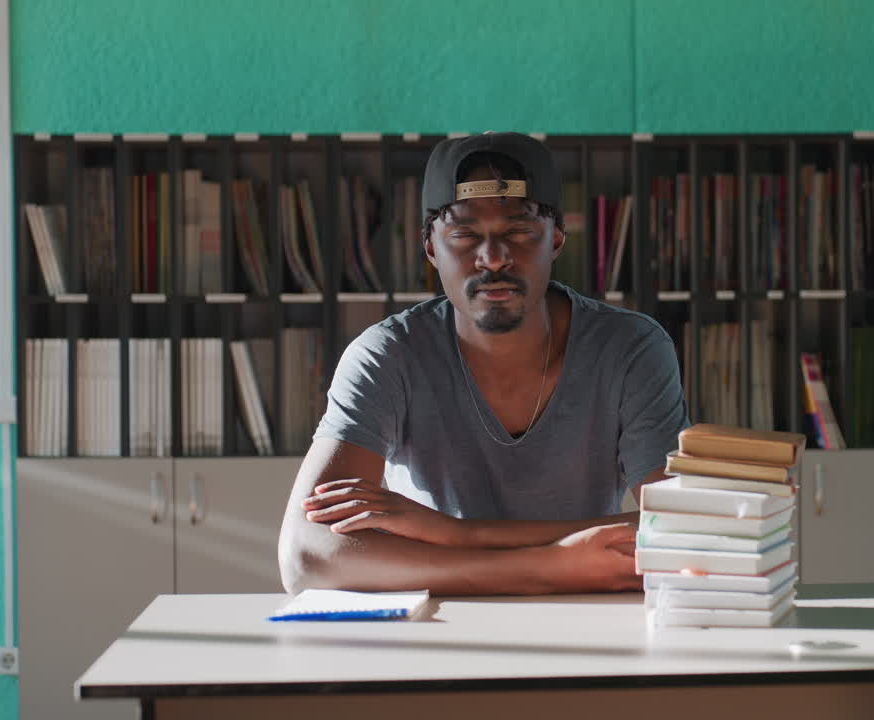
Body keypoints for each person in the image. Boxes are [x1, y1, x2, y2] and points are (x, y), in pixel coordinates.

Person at [278, 132, 688, 595]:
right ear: (431, 248)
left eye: (518, 231)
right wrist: (547, 567)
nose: (493, 258)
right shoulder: (387, 354)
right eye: (464, 235)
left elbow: (681, 532)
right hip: (436, 637)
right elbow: (304, 556)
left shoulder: (630, 348)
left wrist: (453, 534)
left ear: (556, 239)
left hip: (586, 625)